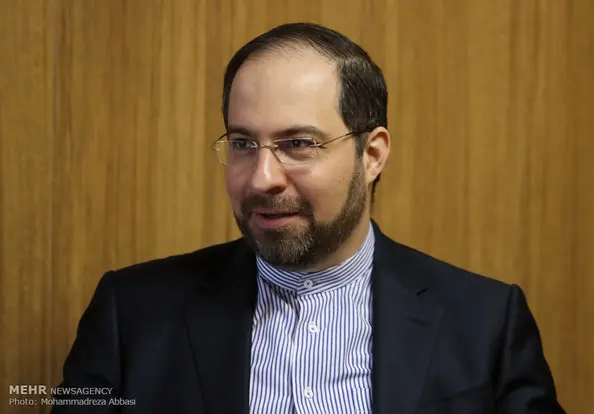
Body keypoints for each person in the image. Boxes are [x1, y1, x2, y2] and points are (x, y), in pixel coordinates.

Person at [54, 22, 565, 413]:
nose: (262, 179)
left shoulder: (484, 323)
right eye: (243, 144)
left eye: (298, 144)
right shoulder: (132, 316)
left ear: (372, 155)